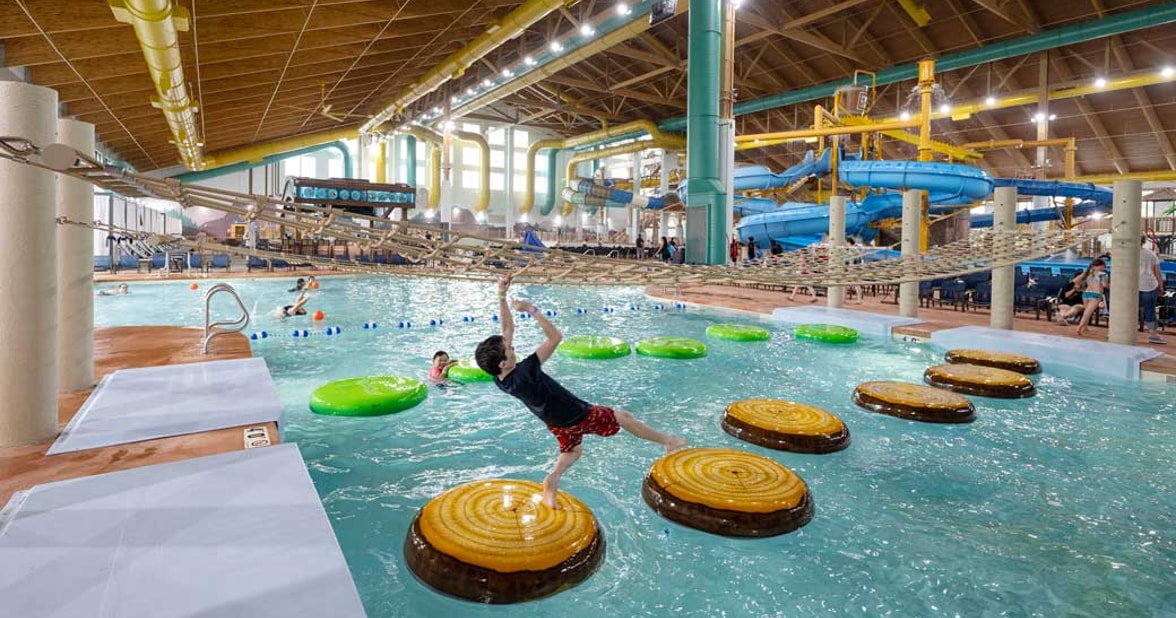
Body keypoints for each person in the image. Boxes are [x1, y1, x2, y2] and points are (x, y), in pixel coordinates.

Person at [475, 275, 687, 509]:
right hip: (575, 413)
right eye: (509, 349)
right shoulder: (526, 371)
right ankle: (667, 441)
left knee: (573, 450)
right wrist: (531, 310)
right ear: (503, 362)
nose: (512, 346)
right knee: (623, 416)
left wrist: (502, 295)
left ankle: (553, 478)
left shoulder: (499, 377)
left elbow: (507, 328)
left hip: (555, 422)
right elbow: (556, 337)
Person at [1139, 236, 1166, 344]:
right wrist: (1160, 286)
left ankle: (1119, 331)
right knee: (1149, 309)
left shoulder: (1126, 253)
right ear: (1144, 241)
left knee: (1126, 309)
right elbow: (1157, 272)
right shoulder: (1151, 254)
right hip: (1149, 285)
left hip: (1130, 286)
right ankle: (1153, 334)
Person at [1075, 258, 1108, 337]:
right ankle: (1079, 327)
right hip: (1096, 294)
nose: (1104, 267)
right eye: (1103, 266)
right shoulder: (1102, 274)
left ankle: (1085, 327)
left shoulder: (1088, 273)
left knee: (1087, 312)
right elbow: (1104, 285)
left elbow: (1076, 280)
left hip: (1086, 294)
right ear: (1100, 266)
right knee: (1087, 313)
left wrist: (1080, 287)